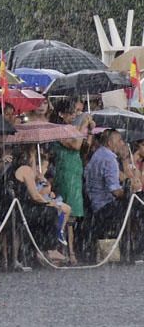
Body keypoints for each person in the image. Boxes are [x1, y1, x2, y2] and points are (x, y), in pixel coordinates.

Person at [10, 144, 69, 265]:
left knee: (46, 211)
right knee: (50, 212)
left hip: (22, 208)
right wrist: (50, 203)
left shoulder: (21, 169)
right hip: (22, 209)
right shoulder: (25, 170)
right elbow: (35, 195)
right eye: (33, 155)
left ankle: (41, 249)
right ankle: (49, 249)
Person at [50, 112, 92, 262]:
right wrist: (82, 125)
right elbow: (76, 145)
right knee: (65, 213)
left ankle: (70, 251)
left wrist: (90, 130)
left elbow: (85, 148)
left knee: (72, 217)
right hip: (65, 174)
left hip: (75, 173)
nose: (74, 116)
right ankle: (64, 250)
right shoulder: (58, 131)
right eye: (72, 113)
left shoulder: (74, 130)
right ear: (62, 114)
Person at [84, 129, 129, 252]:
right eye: (119, 140)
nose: (122, 143)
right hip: (105, 205)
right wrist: (128, 194)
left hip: (94, 203)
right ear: (110, 143)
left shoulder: (97, 155)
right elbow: (114, 190)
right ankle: (131, 250)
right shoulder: (109, 159)